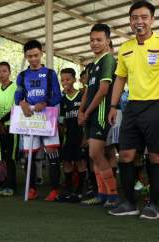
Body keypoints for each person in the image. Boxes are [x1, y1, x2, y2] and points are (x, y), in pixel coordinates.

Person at [108, 1, 159, 219]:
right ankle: (129, 203)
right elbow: (120, 78)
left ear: (152, 20)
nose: (139, 21)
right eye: (134, 18)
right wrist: (113, 105)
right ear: (130, 21)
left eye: (144, 17)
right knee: (126, 155)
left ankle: (154, 205)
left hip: (156, 104)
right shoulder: (126, 47)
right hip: (132, 107)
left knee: (156, 156)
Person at [15, 40, 62, 201]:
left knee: (52, 153)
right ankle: (32, 189)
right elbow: (18, 95)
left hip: (48, 117)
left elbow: (57, 95)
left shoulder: (50, 74)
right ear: (25, 56)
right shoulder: (22, 76)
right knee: (30, 155)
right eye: (30, 56)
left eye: (36, 55)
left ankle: (55, 190)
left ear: (41, 53)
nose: (33, 59)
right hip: (29, 119)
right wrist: (21, 103)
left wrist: (46, 103)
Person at [78, 24, 119, 208]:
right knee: (94, 155)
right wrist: (81, 110)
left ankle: (113, 194)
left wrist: (87, 112)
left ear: (107, 41)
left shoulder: (108, 59)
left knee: (96, 153)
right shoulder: (93, 64)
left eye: (99, 40)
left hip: (100, 113)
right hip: (90, 115)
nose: (94, 43)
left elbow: (103, 90)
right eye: (92, 40)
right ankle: (101, 193)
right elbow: (88, 90)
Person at [58, 68, 87, 202]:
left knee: (80, 161)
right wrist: (61, 135)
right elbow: (62, 120)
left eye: (68, 79)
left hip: (80, 135)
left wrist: (86, 137)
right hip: (68, 137)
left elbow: (87, 118)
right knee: (67, 162)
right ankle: (69, 189)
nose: (65, 82)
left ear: (74, 80)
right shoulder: (62, 100)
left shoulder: (82, 96)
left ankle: (80, 190)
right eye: (62, 80)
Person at [0, 61, 18, 196]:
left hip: (11, 128)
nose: (1, 74)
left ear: (9, 72)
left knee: (10, 157)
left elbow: (15, 108)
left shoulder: (16, 88)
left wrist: (1, 122)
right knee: (2, 157)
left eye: (4, 71)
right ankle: (4, 184)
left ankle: (11, 186)